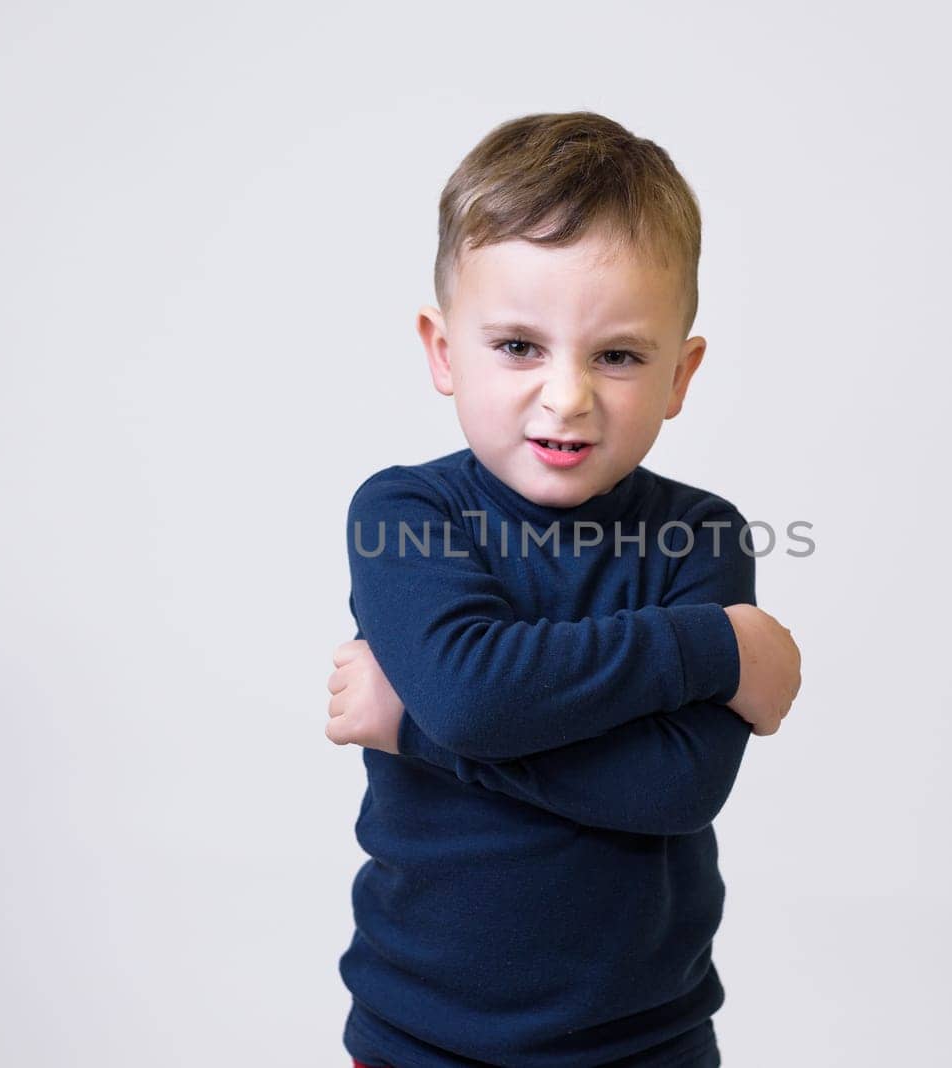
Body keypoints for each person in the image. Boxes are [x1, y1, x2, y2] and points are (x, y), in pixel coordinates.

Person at [326, 110, 803, 1067]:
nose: (567, 394)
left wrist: (413, 722)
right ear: (442, 349)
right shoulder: (408, 513)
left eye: (618, 355)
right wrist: (715, 649)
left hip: (645, 1041)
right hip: (422, 1035)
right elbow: (471, 695)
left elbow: (675, 786)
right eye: (518, 346)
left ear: (681, 372)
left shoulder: (696, 537)